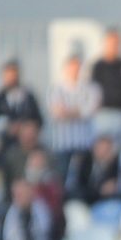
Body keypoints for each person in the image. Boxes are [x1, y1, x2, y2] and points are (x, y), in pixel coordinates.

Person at [46, 55, 101, 186]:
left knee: (84, 180)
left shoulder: (90, 88)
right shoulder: (56, 89)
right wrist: (78, 111)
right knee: (61, 179)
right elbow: (57, 112)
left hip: (84, 143)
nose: (75, 70)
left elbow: (90, 110)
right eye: (72, 67)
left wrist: (69, 111)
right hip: (62, 144)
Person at [0, 59, 43, 156]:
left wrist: (26, 127)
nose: (12, 78)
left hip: (27, 148)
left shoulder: (28, 97)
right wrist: (8, 128)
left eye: (14, 74)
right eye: (9, 75)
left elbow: (38, 120)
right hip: (5, 147)